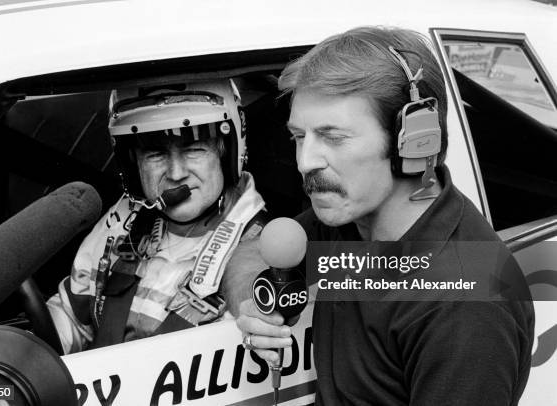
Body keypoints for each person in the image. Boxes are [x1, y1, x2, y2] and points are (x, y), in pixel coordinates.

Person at [233, 27, 534, 405]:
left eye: (333, 137)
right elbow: (260, 251)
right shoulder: (343, 222)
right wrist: (259, 302)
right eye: (298, 136)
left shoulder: (464, 305)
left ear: (413, 141)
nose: (305, 162)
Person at [47, 79, 267, 354]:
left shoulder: (265, 248)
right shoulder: (122, 224)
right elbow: (72, 321)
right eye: (155, 153)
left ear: (225, 153)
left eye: (193, 149)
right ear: (133, 163)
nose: (176, 174)